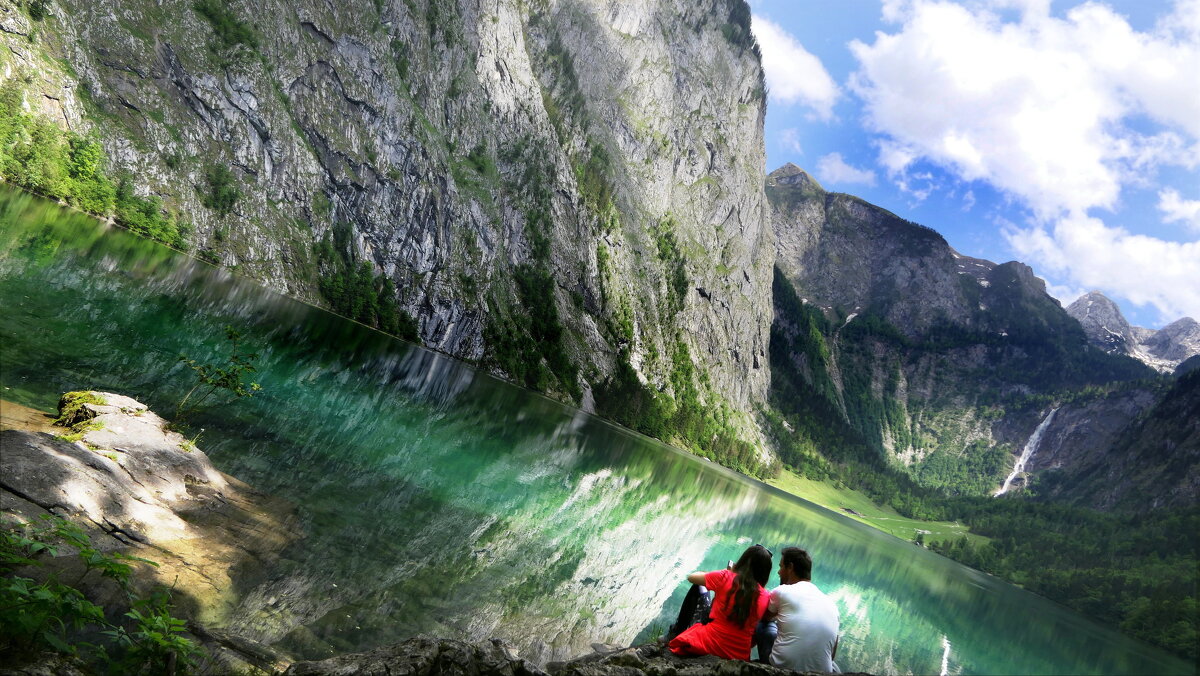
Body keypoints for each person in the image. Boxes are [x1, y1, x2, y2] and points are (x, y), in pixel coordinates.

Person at [667, 544, 772, 661]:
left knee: (698, 587)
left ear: (743, 561)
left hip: (710, 644)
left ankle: (676, 631)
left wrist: (729, 573)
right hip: (739, 655)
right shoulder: (766, 596)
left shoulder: (726, 576)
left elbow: (692, 577)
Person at [755, 546, 840, 673]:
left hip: (782, 670)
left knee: (764, 625)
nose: (779, 572)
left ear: (790, 568)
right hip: (822, 672)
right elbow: (832, 652)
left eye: (781, 566)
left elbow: (764, 616)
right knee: (832, 663)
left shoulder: (783, 591)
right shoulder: (832, 605)